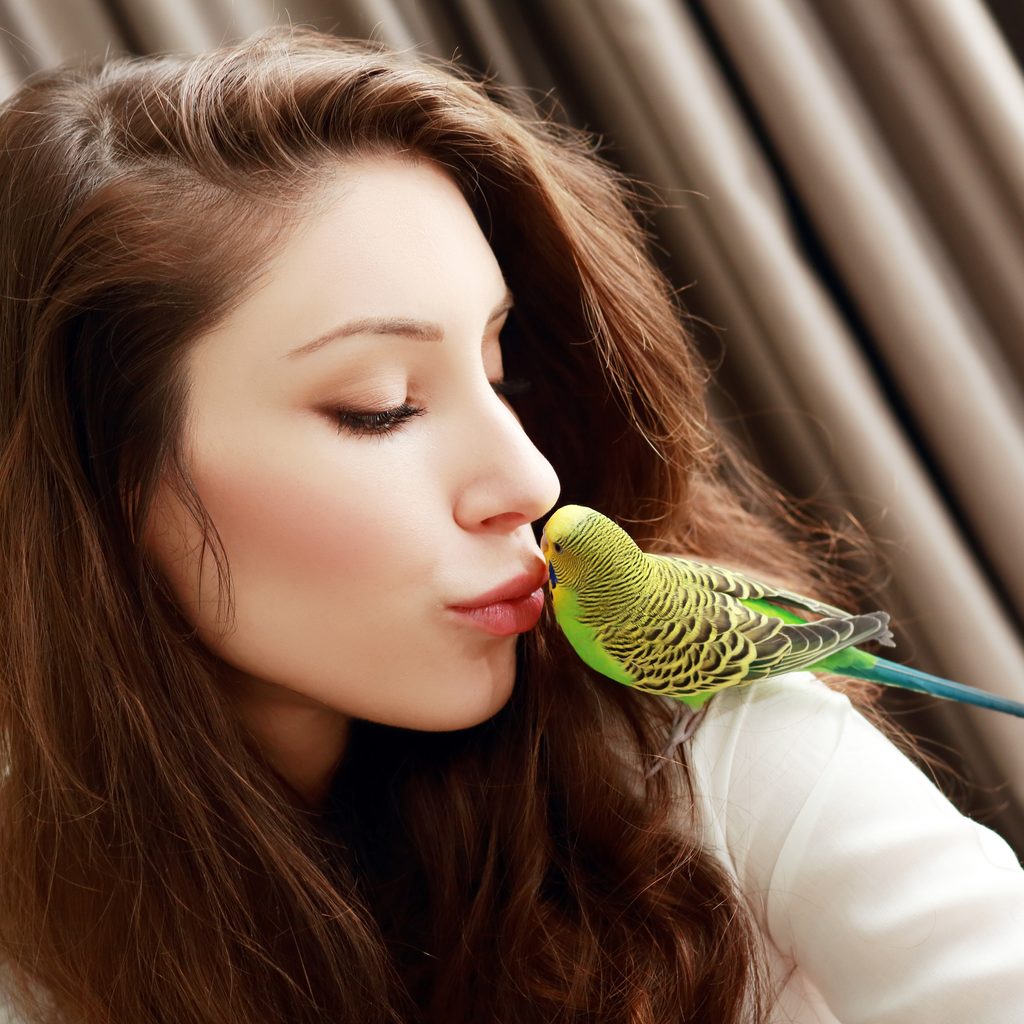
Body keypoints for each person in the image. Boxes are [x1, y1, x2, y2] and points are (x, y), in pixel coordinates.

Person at [0, 23, 1021, 1024]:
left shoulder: (726, 759)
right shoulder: (34, 944)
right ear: (98, 483)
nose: (533, 481)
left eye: (500, 370)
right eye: (381, 403)